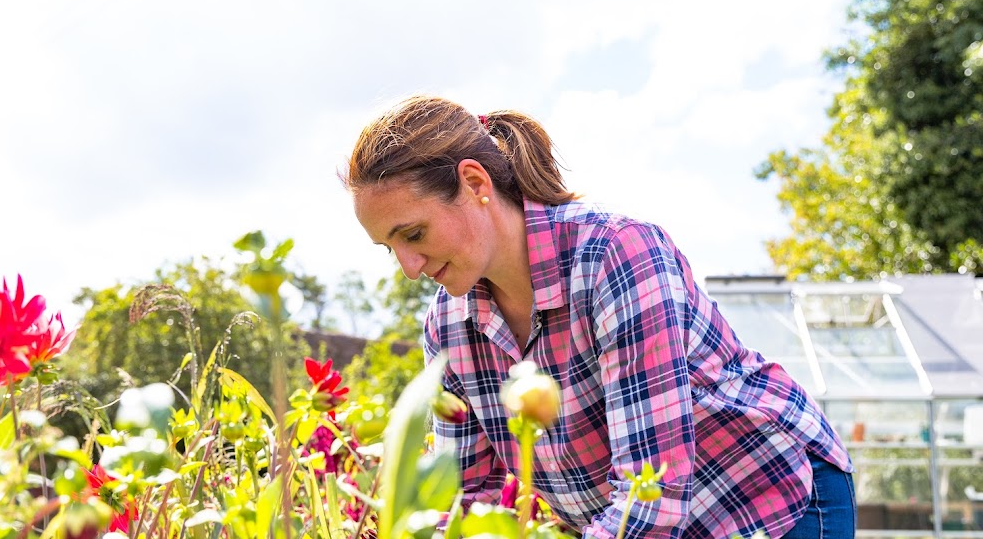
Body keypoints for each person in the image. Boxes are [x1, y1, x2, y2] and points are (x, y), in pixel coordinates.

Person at [342, 95, 856, 539]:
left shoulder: (615, 254)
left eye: (413, 234)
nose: (410, 268)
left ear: (474, 182)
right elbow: (469, 496)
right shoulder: (448, 325)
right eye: (390, 249)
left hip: (765, 497)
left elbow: (651, 488)